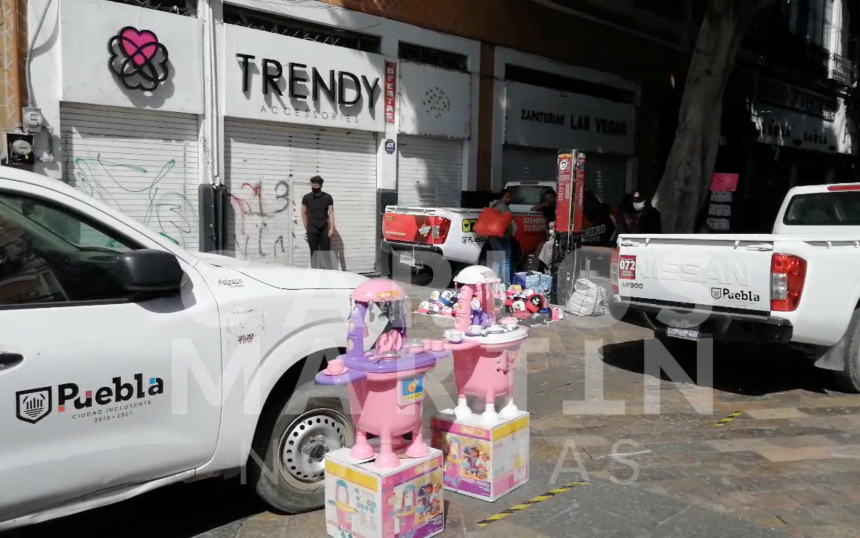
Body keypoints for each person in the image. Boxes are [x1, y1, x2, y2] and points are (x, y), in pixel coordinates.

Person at [301, 176, 335, 269]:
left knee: (326, 253)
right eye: (312, 185)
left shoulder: (327, 197)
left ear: (321, 186)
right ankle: (315, 273)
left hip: (324, 228)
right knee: (314, 253)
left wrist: (331, 229)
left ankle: (328, 272)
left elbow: (331, 213)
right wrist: (307, 227)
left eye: (316, 185)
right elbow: (303, 213)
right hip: (312, 229)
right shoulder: (307, 197)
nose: (314, 187)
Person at [487, 188, 516, 284]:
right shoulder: (502, 206)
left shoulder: (492, 205)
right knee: (506, 260)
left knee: (497, 260)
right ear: (501, 197)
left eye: (509, 197)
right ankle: (507, 283)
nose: (509, 199)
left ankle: (493, 282)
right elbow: (509, 218)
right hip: (502, 236)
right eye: (506, 197)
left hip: (492, 236)